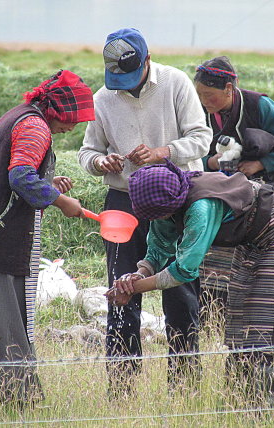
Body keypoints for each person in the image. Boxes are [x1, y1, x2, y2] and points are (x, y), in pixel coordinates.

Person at [107, 159, 274, 408]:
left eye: (161, 215)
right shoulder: (166, 200)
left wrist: (134, 288)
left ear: (172, 204)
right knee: (239, 317)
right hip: (251, 237)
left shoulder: (200, 207)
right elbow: (158, 247)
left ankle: (258, 408)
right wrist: (138, 274)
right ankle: (236, 402)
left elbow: (183, 270)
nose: (159, 219)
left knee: (261, 323)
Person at [0, 70, 94, 405]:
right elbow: (20, 176)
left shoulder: (20, 117)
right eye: (73, 120)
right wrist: (62, 201)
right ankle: (7, 398)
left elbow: (13, 175)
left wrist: (48, 186)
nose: (72, 128)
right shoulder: (35, 126)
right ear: (58, 111)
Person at [77, 28, 212, 395]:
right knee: (121, 292)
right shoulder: (103, 98)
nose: (123, 86)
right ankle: (121, 388)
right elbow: (87, 152)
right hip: (124, 203)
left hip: (176, 197)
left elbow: (202, 138)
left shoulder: (176, 83)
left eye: (129, 77)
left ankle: (184, 387)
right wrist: (101, 162)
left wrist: (161, 152)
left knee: (181, 296)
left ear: (147, 60)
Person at [192, 56, 274, 325]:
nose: (204, 100)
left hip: (267, 196)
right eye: (199, 94)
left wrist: (258, 164)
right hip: (221, 195)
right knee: (216, 256)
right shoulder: (199, 113)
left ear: (229, 88)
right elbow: (196, 152)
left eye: (209, 95)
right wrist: (211, 162)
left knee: (258, 257)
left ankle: (258, 312)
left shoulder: (260, 106)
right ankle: (215, 316)